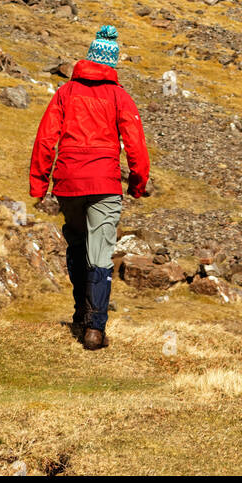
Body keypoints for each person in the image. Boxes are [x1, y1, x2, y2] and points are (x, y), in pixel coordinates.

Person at [29, 25, 150, 350]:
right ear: (111, 64)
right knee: (100, 253)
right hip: (104, 185)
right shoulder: (119, 97)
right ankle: (94, 328)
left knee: (78, 245)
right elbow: (136, 145)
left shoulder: (65, 94)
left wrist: (39, 184)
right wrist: (137, 183)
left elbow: (45, 139)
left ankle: (80, 312)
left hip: (68, 184)